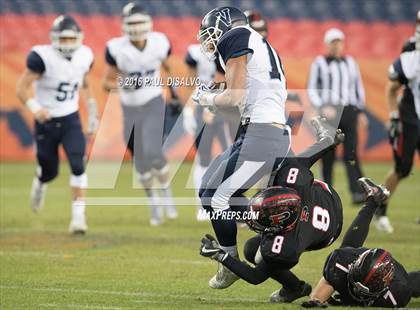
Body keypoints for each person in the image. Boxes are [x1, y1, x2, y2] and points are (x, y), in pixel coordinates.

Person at [194, 6, 290, 289]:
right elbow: (242, 95)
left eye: (211, 33)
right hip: (259, 131)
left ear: (225, 25)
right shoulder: (256, 42)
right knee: (207, 191)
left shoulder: (234, 36)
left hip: (262, 134)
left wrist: (205, 98)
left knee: (217, 198)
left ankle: (231, 262)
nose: (209, 41)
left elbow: (235, 96)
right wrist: (217, 95)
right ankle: (272, 227)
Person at [200, 117, 345, 302]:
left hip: (328, 230)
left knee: (254, 250)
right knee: (286, 163)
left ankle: (294, 287)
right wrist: (327, 140)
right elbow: (306, 159)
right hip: (322, 198)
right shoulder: (291, 177)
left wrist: (221, 255)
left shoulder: (287, 244)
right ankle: (296, 288)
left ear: (279, 224)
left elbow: (256, 277)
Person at [15, 15, 98, 234]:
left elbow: (85, 82)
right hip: (46, 121)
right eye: (63, 39)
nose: (68, 43)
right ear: (54, 38)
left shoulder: (85, 55)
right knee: (49, 171)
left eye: (71, 39)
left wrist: (91, 109)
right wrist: (35, 108)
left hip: (70, 118)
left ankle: (79, 219)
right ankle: (40, 181)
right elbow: (21, 88)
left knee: (78, 165)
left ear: (78, 38)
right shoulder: (42, 57)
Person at [102, 2, 177, 226]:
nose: (136, 27)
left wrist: (173, 92)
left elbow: (169, 66)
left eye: (139, 22)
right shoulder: (116, 48)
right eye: (131, 23)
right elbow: (106, 82)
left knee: (154, 151)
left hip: (154, 102)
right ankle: (153, 203)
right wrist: (124, 82)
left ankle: (166, 194)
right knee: (140, 161)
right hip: (130, 108)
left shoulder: (159, 42)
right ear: (124, 25)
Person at [301, 180, 420, 308]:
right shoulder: (342, 262)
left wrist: (349, 300)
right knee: (346, 249)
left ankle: (373, 199)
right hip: (352, 259)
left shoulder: (398, 293)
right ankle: (373, 199)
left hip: (401, 282)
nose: (356, 291)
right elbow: (316, 300)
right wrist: (316, 300)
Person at [307, 28, 368, 204]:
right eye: (333, 42)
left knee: (351, 153)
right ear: (327, 44)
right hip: (329, 110)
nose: (337, 45)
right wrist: (321, 106)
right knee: (327, 154)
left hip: (349, 110)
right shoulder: (319, 63)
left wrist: (361, 111)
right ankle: (326, 192)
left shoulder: (351, 62)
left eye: (339, 42)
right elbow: (312, 88)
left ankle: (357, 192)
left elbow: (358, 87)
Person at [375, 10, 420, 233]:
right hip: (410, 117)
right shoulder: (411, 51)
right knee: (402, 168)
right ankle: (379, 210)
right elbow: (392, 88)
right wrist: (393, 116)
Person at [183, 44, 232, 221]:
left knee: (232, 155)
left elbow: (226, 81)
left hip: (224, 105)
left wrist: (214, 107)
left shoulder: (228, 50)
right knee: (203, 157)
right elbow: (190, 84)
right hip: (201, 106)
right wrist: (188, 110)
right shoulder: (195, 53)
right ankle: (202, 204)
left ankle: (231, 204)